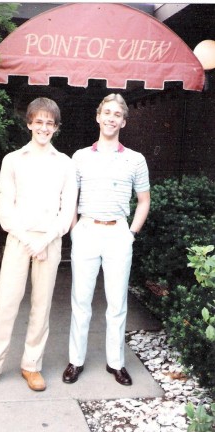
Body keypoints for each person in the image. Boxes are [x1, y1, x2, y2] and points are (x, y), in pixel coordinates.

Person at [0, 97, 77, 393]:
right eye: (38, 121)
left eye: (49, 123)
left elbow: (67, 213)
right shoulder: (13, 160)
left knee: (41, 307)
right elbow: (6, 211)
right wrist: (31, 241)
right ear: (29, 123)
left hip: (50, 241)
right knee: (6, 303)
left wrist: (44, 240)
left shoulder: (66, 164)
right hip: (19, 239)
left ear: (56, 128)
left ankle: (31, 365)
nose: (44, 127)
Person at [62, 93, 150, 386]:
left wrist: (131, 233)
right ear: (98, 117)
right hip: (87, 230)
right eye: (107, 112)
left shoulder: (135, 160)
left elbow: (144, 200)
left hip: (118, 233)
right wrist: (74, 230)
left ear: (123, 122)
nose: (111, 118)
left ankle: (116, 363)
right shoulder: (80, 157)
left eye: (117, 114)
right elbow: (70, 199)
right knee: (81, 300)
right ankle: (76, 361)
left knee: (117, 302)